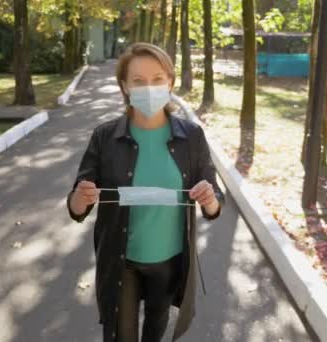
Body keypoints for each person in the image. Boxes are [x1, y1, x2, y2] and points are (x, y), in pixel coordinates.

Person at [66, 42, 225, 342]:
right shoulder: (104, 137)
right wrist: (80, 198)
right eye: (138, 81)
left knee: (157, 324)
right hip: (121, 260)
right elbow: (77, 207)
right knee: (122, 336)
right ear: (124, 86)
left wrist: (210, 199)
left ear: (170, 82)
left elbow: (215, 201)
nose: (148, 87)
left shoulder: (192, 137)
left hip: (169, 259)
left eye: (157, 79)